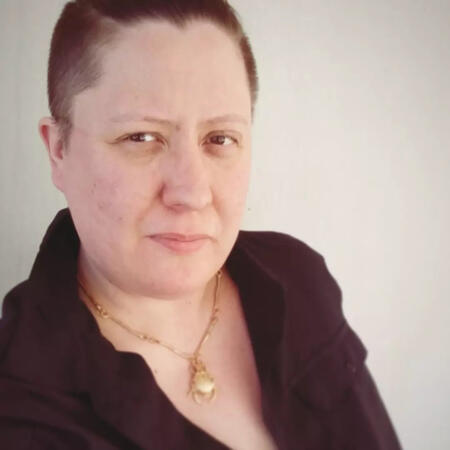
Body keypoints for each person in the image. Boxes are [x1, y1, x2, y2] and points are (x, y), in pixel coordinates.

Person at [0, 0, 402, 449]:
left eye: (219, 138)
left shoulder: (298, 280)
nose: (192, 193)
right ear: (59, 150)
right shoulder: (20, 411)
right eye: (141, 137)